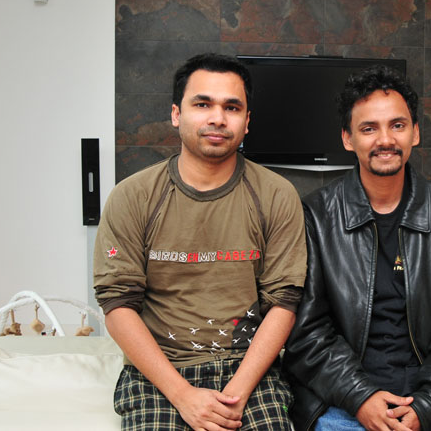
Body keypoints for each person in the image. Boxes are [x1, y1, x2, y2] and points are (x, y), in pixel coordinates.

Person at [93, 53, 307, 430]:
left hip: (249, 372)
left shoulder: (276, 195)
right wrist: (183, 396)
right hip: (159, 373)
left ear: (247, 121)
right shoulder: (132, 196)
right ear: (177, 114)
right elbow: (118, 304)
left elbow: (284, 303)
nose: (217, 118)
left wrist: (234, 396)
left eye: (232, 107)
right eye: (202, 104)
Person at [283, 65, 431, 431]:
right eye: (369, 128)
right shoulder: (316, 217)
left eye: (397, 125)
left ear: (415, 132)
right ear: (348, 139)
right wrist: (360, 397)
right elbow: (307, 331)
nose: (385, 139)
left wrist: (426, 408)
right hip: (343, 397)